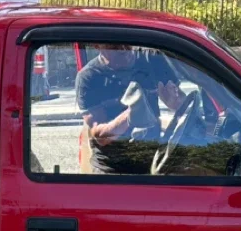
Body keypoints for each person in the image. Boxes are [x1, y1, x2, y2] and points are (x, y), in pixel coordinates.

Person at [75, 45, 183, 173]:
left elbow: (182, 104)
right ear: (97, 46)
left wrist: (173, 102)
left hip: (151, 156)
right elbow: (101, 137)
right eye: (114, 44)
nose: (124, 48)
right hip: (111, 165)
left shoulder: (152, 59)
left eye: (126, 43)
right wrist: (130, 116)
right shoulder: (88, 77)